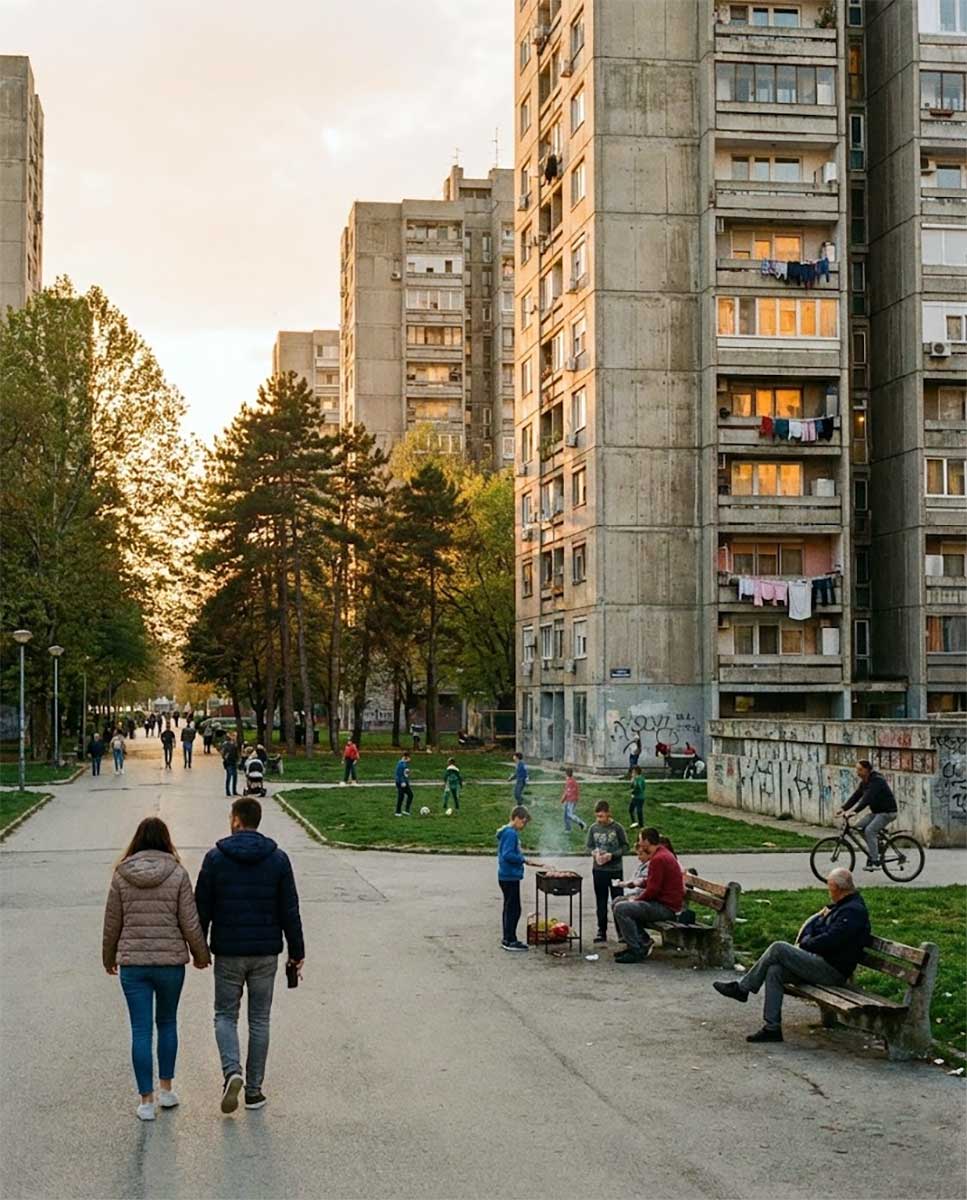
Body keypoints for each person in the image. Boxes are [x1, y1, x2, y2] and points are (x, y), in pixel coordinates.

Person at [195, 797, 305, 1114]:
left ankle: (232, 1071)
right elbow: (290, 910)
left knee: (225, 1015)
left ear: (237, 820)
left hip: (228, 951)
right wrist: (297, 952)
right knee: (259, 1019)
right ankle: (254, 1092)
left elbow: (201, 908)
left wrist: (199, 949)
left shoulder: (215, 858)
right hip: (266, 953)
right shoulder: (278, 859)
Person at [102, 817, 210, 1120]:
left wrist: (108, 958)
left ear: (137, 840)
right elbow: (190, 921)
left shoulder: (121, 875)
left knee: (140, 1030)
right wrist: (201, 954)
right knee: (167, 1023)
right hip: (170, 964)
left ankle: (146, 1101)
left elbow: (112, 923)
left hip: (133, 965)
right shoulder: (177, 873)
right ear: (166, 840)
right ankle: (166, 1090)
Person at [713, 867, 871, 1043]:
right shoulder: (841, 906)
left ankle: (743, 989)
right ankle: (772, 1028)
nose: (829, 892)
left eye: (830, 888)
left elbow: (830, 940)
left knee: (778, 948)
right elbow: (816, 928)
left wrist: (806, 943)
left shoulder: (853, 911)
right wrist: (810, 939)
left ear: (838, 889)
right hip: (820, 963)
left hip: (833, 971)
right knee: (775, 970)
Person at [612, 828, 686, 964]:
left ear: (647, 841)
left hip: (666, 907)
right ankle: (639, 942)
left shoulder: (658, 859)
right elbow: (655, 881)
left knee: (622, 908)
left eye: (640, 840)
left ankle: (636, 950)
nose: (639, 843)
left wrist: (636, 900)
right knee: (618, 901)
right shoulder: (661, 854)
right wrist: (641, 882)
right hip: (663, 903)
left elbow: (653, 890)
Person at [836, 760, 898, 870]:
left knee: (870, 831)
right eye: (857, 770)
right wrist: (843, 808)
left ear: (867, 770)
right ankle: (876, 846)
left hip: (887, 812)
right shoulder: (865, 782)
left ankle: (874, 860)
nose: (857, 772)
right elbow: (856, 796)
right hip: (877, 812)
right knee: (859, 827)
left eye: (860, 770)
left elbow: (867, 798)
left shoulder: (877, 781)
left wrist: (855, 811)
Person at [496, 805, 543, 951]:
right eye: (523, 822)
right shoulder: (511, 834)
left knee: (509, 907)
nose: (523, 826)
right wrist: (524, 859)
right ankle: (510, 940)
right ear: (516, 818)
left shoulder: (507, 832)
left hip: (506, 875)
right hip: (509, 876)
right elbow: (508, 854)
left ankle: (508, 937)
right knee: (514, 909)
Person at [586, 800, 630, 943]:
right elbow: (589, 846)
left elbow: (625, 846)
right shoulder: (593, 828)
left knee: (618, 900)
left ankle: (621, 932)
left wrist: (612, 855)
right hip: (599, 870)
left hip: (615, 869)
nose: (599, 820)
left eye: (602, 816)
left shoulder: (617, 828)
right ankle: (601, 930)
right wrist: (594, 853)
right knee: (601, 900)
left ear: (609, 813)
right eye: (597, 816)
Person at [561, 767, 586, 832]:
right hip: (570, 800)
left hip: (571, 800)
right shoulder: (572, 780)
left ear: (566, 773)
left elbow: (567, 792)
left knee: (569, 814)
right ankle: (568, 829)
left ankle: (581, 823)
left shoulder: (570, 782)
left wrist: (562, 800)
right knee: (565, 815)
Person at [394, 752, 413, 817]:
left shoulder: (405, 764)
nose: (410, 759)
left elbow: (405, 774)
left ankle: (406, 810)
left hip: (405, 782)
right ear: (406, 757)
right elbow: (399, 774)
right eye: (409, 758)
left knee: (410, 795)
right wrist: (402, 782)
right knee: (401, 796)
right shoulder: (401, 764)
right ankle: (398, 812)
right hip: (401, 783)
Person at [222, 732, 240, 797]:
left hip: (234, 762)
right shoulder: (226, 744)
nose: (235, 738)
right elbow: (224, 754)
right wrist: (226, 758)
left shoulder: (235, 744)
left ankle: (234, 791)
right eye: (234, 736)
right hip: (228, 763)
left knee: (235, 776)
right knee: (229, 776)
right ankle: (228, 791)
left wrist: (237, 759)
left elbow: (236, 753)